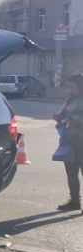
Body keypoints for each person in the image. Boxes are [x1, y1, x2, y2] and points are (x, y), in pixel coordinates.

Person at [53, 73, 83, 211]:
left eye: (73, 87)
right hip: (70, 141)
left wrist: (73, 118)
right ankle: (75, 201)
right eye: (69, 87)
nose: (70, 90)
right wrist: (60, 118)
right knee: (71, 173)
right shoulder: (70, 100)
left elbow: (75, 117)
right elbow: (64, 113)